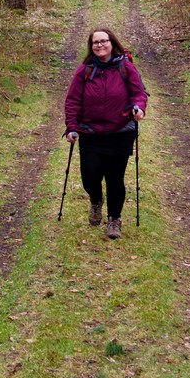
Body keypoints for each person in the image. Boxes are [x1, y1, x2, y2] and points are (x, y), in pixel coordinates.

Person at [64, 28, 148, 239]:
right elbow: (72, 100)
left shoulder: (125, 67)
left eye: (103, 41)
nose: (100, 45)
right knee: (90, 175)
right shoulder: (85, 70)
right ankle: (95, 199)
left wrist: (139, 108)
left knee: (114, 178)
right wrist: (72, 126)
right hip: (91, 132)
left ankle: (114, 220)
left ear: (112, 43)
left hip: (120, 131)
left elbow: (139, 93)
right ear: (91, 46)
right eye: (95, 42)